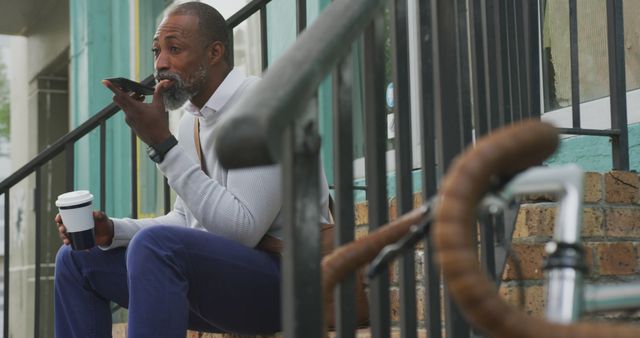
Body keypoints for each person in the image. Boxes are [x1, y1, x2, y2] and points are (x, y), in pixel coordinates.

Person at [53, 2, 330, 337]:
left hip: (294, 285)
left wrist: (162, 145)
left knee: (157, 246)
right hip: (230, 286)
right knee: (76, 260)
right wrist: (113, 231)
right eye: (157, 51)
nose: (160, 64)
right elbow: (187, 220)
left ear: (214, 52)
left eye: (175, 49)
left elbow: (243, 230)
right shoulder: (191, 124)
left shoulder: (264, 107)